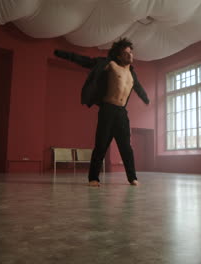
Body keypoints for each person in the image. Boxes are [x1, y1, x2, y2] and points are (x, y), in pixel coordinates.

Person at [54, 38, 149, 187]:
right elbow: (86, 61)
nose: (130, 55)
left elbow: (138, 87)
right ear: (118, 55)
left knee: (126, 147)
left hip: (122, 113)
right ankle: (93, 178)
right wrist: (62, 54)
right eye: (126, 53)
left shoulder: (131, 74)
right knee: (101, 145)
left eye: (131, 52)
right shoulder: (110, 65)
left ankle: (132, 178)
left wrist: (146, 99)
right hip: (108, 110)